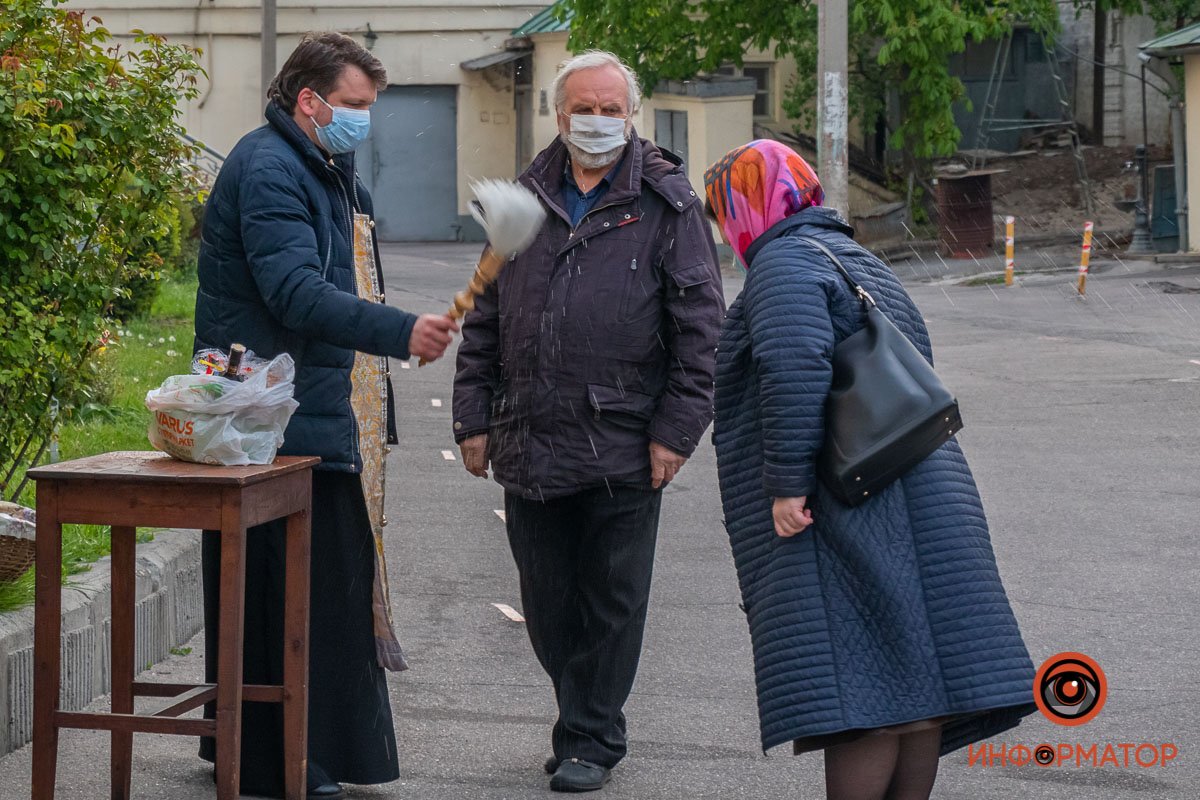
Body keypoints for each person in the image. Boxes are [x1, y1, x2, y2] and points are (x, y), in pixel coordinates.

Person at [705, 140, 1036, 800]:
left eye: (725, 214)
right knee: (912, 685)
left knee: (863, 692)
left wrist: (787, 485)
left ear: (749, 207)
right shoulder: (856, 257)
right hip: (915, 479)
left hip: (851, 495)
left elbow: (793, 368)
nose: (725, 233)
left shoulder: (783, 265)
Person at [193, 32, 458, 799]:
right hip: (267, 418)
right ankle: (281, 760)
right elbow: (296, 295)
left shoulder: (317, 165)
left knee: (310, 591)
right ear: (308, 100)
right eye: (352, 105)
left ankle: (290, 752)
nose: (362, 120)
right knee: (288, 596)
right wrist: (400, 331)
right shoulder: (272, 168)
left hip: (296, 410)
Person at [452, 50, 724, 793]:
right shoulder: (523, 200)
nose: (597, 122)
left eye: (611, 110)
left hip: (625, 441)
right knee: (546, 602)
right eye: (584, 109)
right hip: (530, 435)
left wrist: (675, 431)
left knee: (612, 600)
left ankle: (591, 738)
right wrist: (472, 417)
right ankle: (582, 717)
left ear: (632, 116)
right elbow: (484, 318)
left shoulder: (668, 205)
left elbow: (702, 329)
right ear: (559, 114)